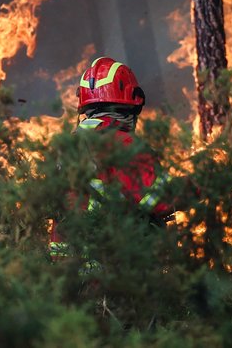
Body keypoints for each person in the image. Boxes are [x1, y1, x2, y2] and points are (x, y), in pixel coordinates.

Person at [49, 56, 172, 259]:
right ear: (133, 105)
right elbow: (161, 201)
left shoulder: (67, 147)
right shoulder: (124, 144)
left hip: (66, 277)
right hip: (114, 275)